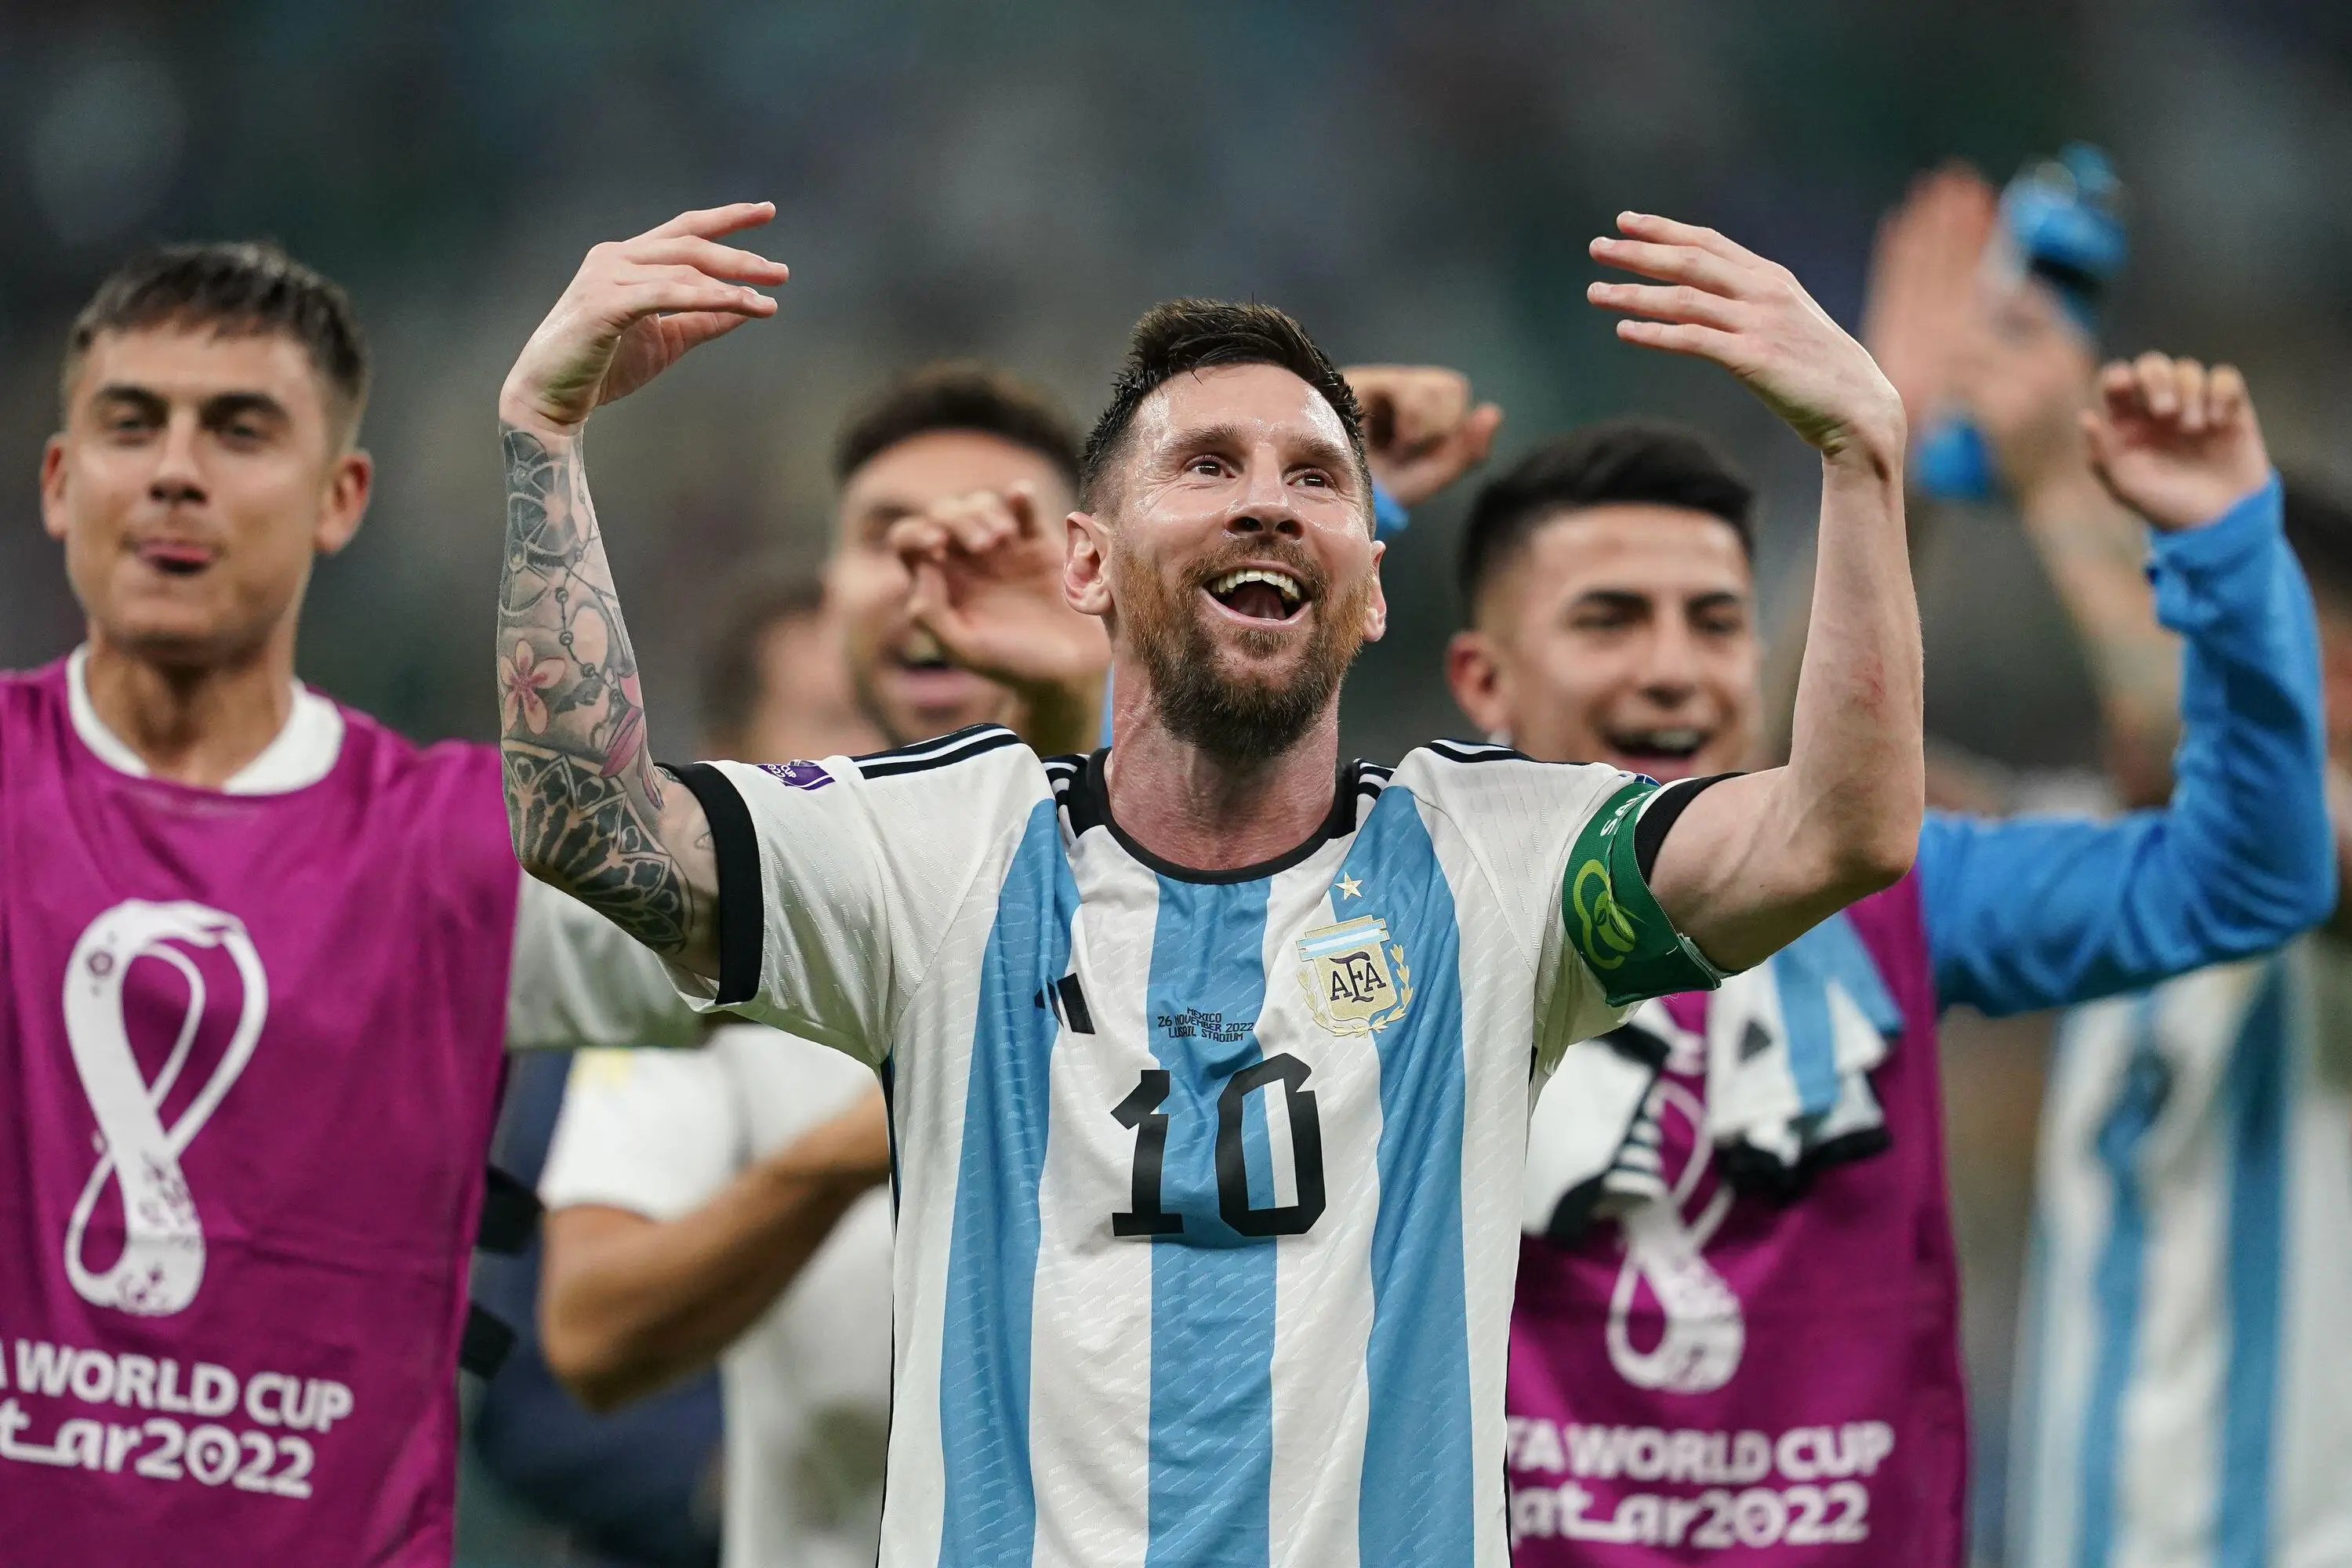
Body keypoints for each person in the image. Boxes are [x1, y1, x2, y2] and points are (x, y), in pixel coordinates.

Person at [492, 199, 1922, 1566]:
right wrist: (543, 438)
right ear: (1087, 565)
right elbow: (589, 825)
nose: (1267, 505)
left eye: (1315, 478)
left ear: (1370, 584)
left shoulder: (1508, 867)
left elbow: (1834, 835)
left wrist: (1862, 459)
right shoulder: (932, 854)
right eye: (1206, 465)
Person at [535, 355, 1503, 1568]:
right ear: (828, 589)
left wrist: (1337, 493)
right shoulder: (778, 900)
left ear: (1085, 567)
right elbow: (586, 1336)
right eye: (888, 532)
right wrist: (854, 1144)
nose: (940, 558)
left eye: (1004, 529)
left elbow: (1134, 788)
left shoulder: (1281, 909)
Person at [1455, 358, 2332, 1560]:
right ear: (1483, 680)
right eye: (1609, 619)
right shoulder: (1408, 921)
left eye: (1715, 622)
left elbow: (2250, 880)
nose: (1672, 667)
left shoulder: (1904, 898)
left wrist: (2224, 552)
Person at [0, 241, 702, 1565]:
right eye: (130, 423)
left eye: (240, 429)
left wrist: (543, 444)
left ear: (341, 497)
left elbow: (732, 904)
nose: (174, 471)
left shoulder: (456, 850)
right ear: (57, 481)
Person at [1865, 165, 2352, 1568]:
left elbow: (2193, 746)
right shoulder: (2083, 862)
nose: (2204, 646)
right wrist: (1878, 453)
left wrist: (2063, 478)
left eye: (2269, 641)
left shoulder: (2320, 877)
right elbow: (1783, 793)